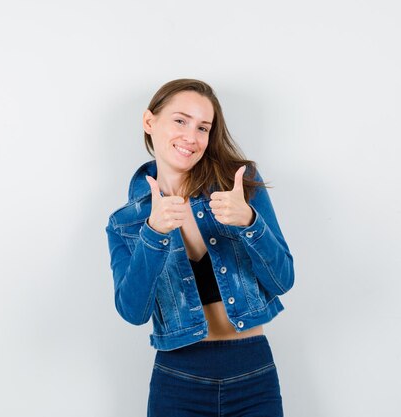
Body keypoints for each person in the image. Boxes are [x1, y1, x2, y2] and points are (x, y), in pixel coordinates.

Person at [105, 78, 295, 417]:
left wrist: (250, 222)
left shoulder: (239, 186)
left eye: (203, 128)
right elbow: (133, 312)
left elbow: (283, 281)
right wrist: (153, 234)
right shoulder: (126, 223)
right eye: (180, 120)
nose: (191, 137)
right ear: (150, 122)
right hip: (177, 381)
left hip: (252, 373)